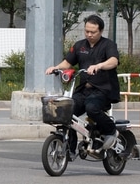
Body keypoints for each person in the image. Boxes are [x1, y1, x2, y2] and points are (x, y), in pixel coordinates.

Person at [45, 14, 120, 157]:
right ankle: (70, 148)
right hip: (83, 89)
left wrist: (100, 65)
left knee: (92, 109)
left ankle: (111, 130)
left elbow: (113, 61)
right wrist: (55, 68)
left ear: (101, 31)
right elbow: (68, 62)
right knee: (66, 113)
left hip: (103, 90)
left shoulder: (108, 45)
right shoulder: (80, 45)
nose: (89, 34)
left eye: (93, 32)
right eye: (87, 31)